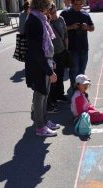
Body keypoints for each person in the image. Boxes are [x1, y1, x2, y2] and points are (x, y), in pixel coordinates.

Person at [25, 0, 60, 137]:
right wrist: (49, 71)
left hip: (44, 62)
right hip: (39, 66)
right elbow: (37, 50)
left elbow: (46, 46)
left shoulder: (39, 19)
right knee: (40, 96)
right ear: (42, 6)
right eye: (48, 7)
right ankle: (40, 127)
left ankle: (44, 122)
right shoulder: (34, 21)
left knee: (45, 95)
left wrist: (52, 61)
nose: (49, 9)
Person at [60, 0, 95, 89]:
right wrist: (72, 27)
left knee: (82, 69)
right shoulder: (65, 13)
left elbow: (92, 27)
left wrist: (87, 27)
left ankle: (80, 88)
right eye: (76, 4)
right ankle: (74, 87)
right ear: (72, 3)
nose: (78, 6)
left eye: (80, 4)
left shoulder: (85, 14)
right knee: (74, 70)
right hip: (72, 47)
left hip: (84, 47)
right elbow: (60, 28)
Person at [47, 3, 69, 113]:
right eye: (50, 11)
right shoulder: (47, 22)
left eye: (53, 10)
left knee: (60, 75)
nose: (52, 12)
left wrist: (66, 49)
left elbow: (65, 34)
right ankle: (52, 98)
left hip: (61, 52)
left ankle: (60, 94)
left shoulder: (61, 19)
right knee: (52, 78)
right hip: (51, 55)